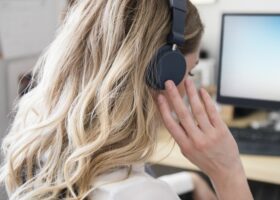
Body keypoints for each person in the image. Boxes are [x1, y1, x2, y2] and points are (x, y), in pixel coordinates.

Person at [0, 0, 253, 199]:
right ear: (163, 71)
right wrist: (229, 173)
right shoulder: (142, 194)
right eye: (189, 71)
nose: (187, 87)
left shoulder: (32, 121)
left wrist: (191, 180)